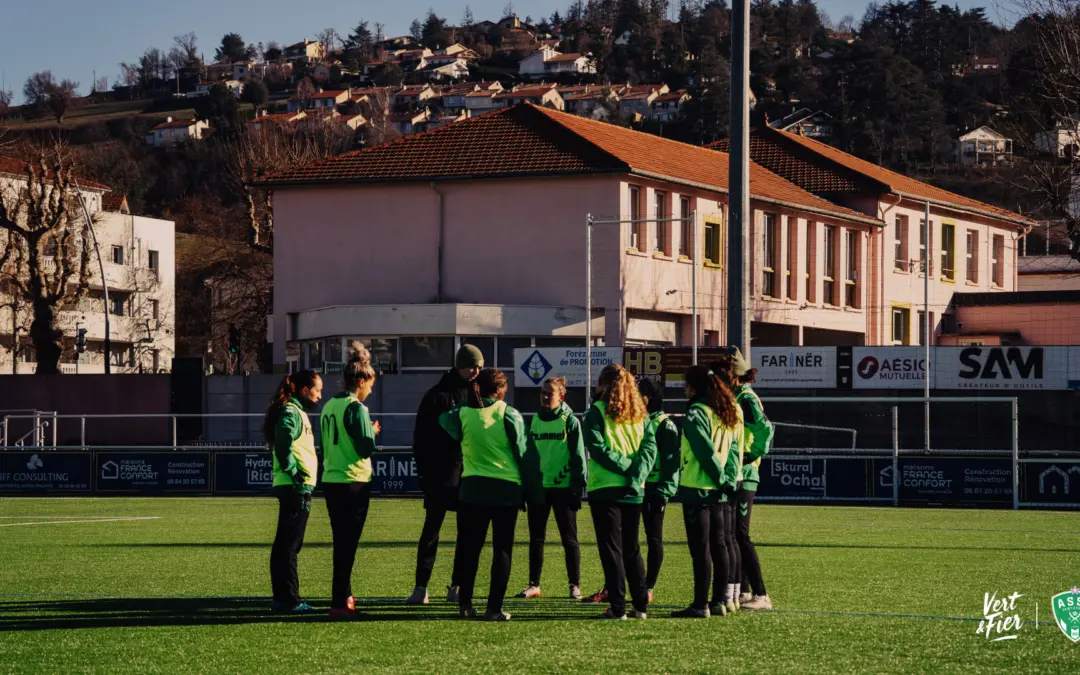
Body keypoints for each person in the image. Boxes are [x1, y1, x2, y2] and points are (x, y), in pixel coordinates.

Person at [439, 368, 542, 621]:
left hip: (472, 490)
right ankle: (493, 608)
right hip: (505, 490)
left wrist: (470, 402)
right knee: (502, 549)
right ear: (500, 390)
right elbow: (526, 456)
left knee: (469, 550)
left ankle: (465, 605)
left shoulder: (463, 414)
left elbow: (445, 420)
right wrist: (534, 493)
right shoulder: (509, 413)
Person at [405, 344, 483, 605]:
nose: (476, 371)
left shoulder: (478, 394)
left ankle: (457, 586)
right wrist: (425, 475)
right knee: (431, 532)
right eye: (472, 366)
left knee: (466, 533)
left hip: (468, 475)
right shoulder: (436, 395)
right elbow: (420, 439)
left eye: (479, 367)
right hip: (439, 476)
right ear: (460, 365)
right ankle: (420, 587)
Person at [584, 364, 657, 620]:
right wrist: (636, 475)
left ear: (603, 384)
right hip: (634, 489)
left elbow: (598, 449)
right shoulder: (641, 413)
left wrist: (625, 469)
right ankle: (640, 606)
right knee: (632, 548)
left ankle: (617, 607)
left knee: (612, 549)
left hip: (606, 488)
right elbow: (650, 450)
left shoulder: (596, 412)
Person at [671, 364, 742, 619]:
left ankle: (700, 604)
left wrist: (721, 479)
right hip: (719, 491)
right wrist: (728, 481)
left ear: (693, 386)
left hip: (698, 489)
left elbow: (704, 451)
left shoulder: (696, 413)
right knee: (719, 545)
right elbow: (733, 452)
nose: (684, 388)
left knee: (701, 549)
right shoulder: (722, 412)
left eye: (685, 383)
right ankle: (719, 602)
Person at [320, 342, 381, 621]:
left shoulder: (329, 405)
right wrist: (371, 431)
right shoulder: (357, 408)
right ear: (360, 380)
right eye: (369, 383)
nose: (370, 389)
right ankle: (340, 603)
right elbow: (365, 447)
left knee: (341, 542)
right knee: (348, 545)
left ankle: (344, 597)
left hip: (332, 479)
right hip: (353, 481)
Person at [517, 377, 586, 600]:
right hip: (540, 489)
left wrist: (578, 486)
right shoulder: (535, 420)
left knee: (569, 539)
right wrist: (526, 485)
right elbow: (528, 455)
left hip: (563, 488)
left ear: (561, 397)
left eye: (550, 393)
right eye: (543, 393)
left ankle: (574, 584)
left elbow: (578, 456)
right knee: (536, 539)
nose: (545, 397)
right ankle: (534, 585)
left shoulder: (570, 421)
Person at [262, 369, 323, 613]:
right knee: (289, 544)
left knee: (288, 543)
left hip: (296, 486)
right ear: (304, 389)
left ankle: (284, 597)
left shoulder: (297, 412)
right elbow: (283, 442)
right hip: (294, 487)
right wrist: (294, 471)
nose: (320, 395)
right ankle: (288, 599)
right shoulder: (291, 412)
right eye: (317, 390)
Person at [725, 348, 775, 611]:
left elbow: (765, 428)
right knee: (734, 534)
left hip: (745, 475)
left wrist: (750, 455)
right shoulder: (736, 396)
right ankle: (744, 590)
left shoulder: (746, 398)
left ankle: (761, 593)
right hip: (738, 474)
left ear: (734, 375)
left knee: (740, 535)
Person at [710, 357, 748, 613]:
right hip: (733, 477)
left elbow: (730, 450)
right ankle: (732, 595)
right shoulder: (732, 406)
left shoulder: (727, 407)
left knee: (722, 541)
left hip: (723, 480)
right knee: (730, 539)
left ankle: (725, 596)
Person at [639, 377, 680, 604]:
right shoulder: (637, 420)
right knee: (627, 540)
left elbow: (671, 463)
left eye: (640, 394)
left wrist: (664, 490)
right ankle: (619, 585)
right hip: (636, 488)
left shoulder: (664, 424)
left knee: (654, 538)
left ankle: (648, 586)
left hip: (655, 490)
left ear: (650, 397)